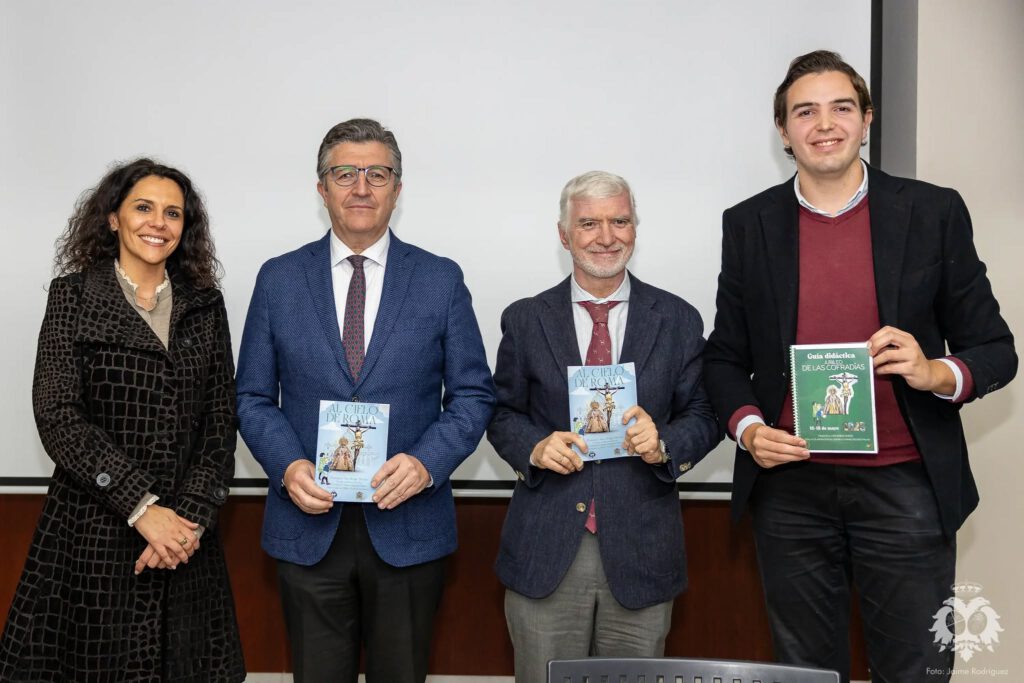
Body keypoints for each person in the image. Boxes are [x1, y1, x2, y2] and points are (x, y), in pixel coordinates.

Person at [703, 50, 1017, 683]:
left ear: (867, 119)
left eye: (842, 107)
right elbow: (724, 357)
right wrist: (748, 429)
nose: (825, 123)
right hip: (790, 490)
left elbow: (995, 349)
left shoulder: (932, 212)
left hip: (905, 485)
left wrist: (933, 372)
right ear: (783, 130)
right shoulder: (749, 225)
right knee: (805, 673)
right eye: (805, 111)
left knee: (916, 669)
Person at [236, 118, 495, 683]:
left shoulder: (440, 279)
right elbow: (253, 396)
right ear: (321, 186)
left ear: (397, 190)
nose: (361, 187)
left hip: (408, 525)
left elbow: (474, 393)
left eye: (377, 174)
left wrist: (427, 464)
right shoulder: (279, 279)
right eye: (344, 173)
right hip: (308, 526)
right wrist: (287, 465)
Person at [0, 159, 245, 681]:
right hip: (92, 536)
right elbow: (57, 415)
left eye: (173, 213)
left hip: (186, 541)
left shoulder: (206, 305)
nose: (159, 222)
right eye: (143, 207)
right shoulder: (74, 295)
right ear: (113, 218)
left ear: (186, 228)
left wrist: (186, 520)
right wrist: (140, 507)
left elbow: (221, 419)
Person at [488, 171, 720, 683]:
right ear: (564, 234)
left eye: (619, 221)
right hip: (546, 547)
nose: (606, 236)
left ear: (635, 228)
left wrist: (663, 444)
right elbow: (501, 412)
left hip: (641, 547)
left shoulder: (678, 319)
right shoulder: (525, 319)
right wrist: (534, 446)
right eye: (588, 223)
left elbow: (705, 415)